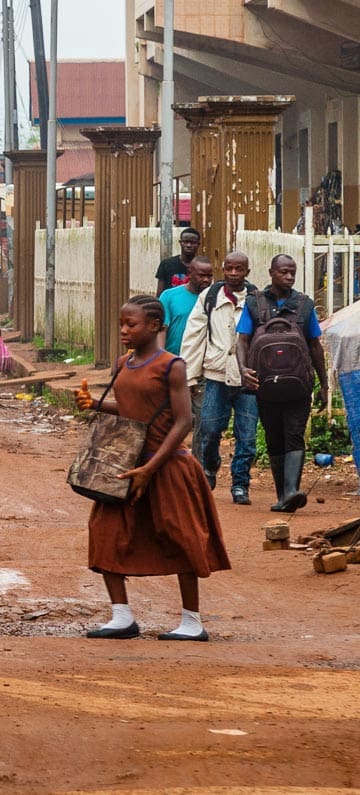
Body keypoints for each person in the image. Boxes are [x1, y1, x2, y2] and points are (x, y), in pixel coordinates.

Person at [73, 294, 231, 641]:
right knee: (105, 533)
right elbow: (133, 409)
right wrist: (97, 405)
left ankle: (192, 622)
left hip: (169, 466)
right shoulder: (122, 364)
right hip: (127, 466)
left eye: (132, 324)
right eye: (122, 324)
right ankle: (121, 616)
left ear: (156, 326)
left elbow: (183, 421)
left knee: (181, 536)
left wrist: (151, 468)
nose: (124, 330)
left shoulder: (172, 365)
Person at [236, 254, 329, 512]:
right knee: (274, 437)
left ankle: (290, 491)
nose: (289, 277)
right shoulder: (254, 303)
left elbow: (314, 345)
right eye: (284, 272)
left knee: (294, 435)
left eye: (292, 272)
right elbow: (243, 340)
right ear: (271, 272)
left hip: (299, 386)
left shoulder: (304, 305)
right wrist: (243, 370)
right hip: (264, 386)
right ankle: (283, 496)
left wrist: (324, 385)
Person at [181, 252, 259, 504]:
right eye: (229, 269)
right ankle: (210, 466)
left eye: (239, 269)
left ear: (247, 271)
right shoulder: (209, 297)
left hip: (247, 379)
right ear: (223, 270)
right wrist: (189, 377)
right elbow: (194, 336)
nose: (234, 274)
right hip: (215, 374)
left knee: (246, 437)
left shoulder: (257, 300)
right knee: (210, 429)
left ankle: (240, 485)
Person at [158, 256, 212, 355]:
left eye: (209, 276)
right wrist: (161, 358)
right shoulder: (169, 296)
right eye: (201, 276)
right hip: (173, 358)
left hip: (202, 360)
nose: (206, 280)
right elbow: (161, 330)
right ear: (189, 273)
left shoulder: (214, 298)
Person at [155, 227, 202, 295]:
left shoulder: (201, 267)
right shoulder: (166, 264)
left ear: (198, 244)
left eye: (192, 242)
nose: (189, 245)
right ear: (180, 243)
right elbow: (160, 294)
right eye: (185, 242)